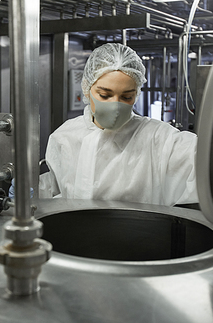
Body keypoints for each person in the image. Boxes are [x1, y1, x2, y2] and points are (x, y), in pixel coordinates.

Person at [38, 43, 198, 207]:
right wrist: (34, 192)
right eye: (105, 95)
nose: (115, 105)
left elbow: (204, 160)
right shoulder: (65, 136)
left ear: (137, 94)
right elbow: (57, 189)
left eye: (126, 97)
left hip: (140, 231)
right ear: (86, 89)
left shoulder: (158, 138)